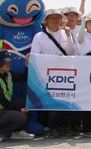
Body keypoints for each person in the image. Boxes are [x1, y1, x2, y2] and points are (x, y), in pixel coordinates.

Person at [30, 8, 76, 138]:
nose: (55, 20)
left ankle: (66, 126)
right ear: (46, 21)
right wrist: (53, 59)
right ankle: (53, 128)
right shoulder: (39, 36)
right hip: (48, 74)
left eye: (57, 18)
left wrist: (69, 37)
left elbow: (71, 52)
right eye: (52, 18)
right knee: (53, 101)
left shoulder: (66, 34)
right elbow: (35, 55)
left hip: (65, 73)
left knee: (66, 99)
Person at [0, 49, 35, 142]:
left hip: (2, 109)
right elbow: (4, 102)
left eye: (9, 61)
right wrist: (19, 110)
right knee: (21, 117)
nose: (9, 64)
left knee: (28, 101)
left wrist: (27, 64)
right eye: (5, 62)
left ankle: (18, 132)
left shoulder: (7, 74)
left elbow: (23, 77)